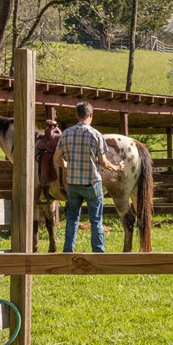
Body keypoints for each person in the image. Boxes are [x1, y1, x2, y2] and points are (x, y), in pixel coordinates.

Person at [53, 102, 120, 253]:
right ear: (90, 115)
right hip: (92, 184)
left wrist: (66, 165)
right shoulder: (96, 135)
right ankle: (98, 252)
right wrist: (116, 167)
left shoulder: (66, 134)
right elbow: (103, 162)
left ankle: (68, 251)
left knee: (72, 219)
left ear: (77, 115)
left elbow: (56, 158)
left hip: (72, 184)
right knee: (96, 220)